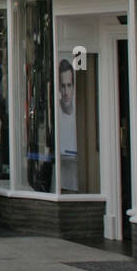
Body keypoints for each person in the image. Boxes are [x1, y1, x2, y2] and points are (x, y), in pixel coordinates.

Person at [57, 60, 78, 192]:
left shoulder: (80, 111)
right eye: (63, 86)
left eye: (69, 86)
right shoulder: (54, 112)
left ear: (73, 87)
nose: (66, 92)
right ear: (59, 87)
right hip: (60, 170)